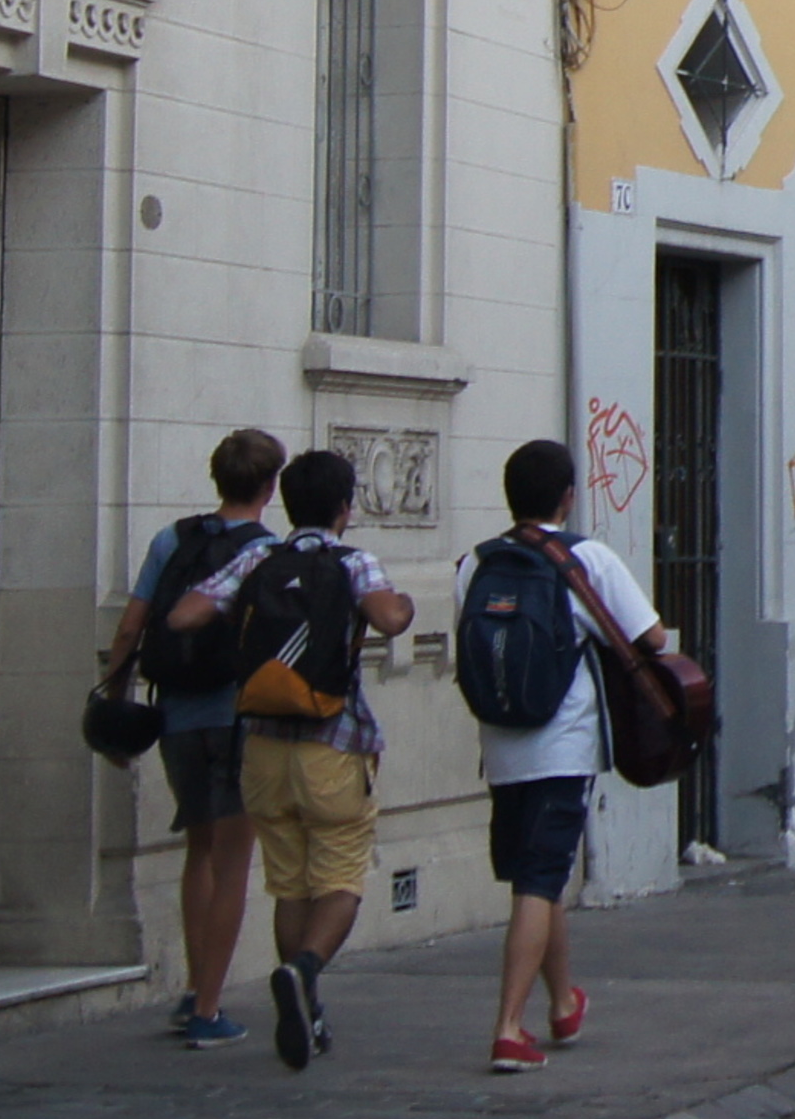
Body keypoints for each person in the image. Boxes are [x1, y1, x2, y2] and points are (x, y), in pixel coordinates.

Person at [171, 449, 413, 1072]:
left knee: (289, 881)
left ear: (286, 503)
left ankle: (305, 1004)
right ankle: (304, 972)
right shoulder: (351, 561)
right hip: (332, 742)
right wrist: (400, 600)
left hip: (260, 747)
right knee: (340, 882)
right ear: (343, 508)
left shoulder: (259, 558)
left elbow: (185, 614)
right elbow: (389, 618)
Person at [473, 439, 664, 1076]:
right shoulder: (585, 557)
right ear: (567, 495)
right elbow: (652, 636)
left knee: (540, 874)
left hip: (500, 746)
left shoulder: (474, 565)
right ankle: (506, 1026)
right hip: (563, 744)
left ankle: (561, 1004)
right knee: (537, 881)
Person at [98, 430, 284, 1049]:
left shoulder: (170, 539)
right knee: (234, 861)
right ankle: (208, 1006)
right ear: (269, 486)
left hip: (175, 713)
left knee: (198, 851)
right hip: (236, 716)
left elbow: (131, 626)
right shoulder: (266, 552)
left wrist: (116, 697)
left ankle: (191, 989)